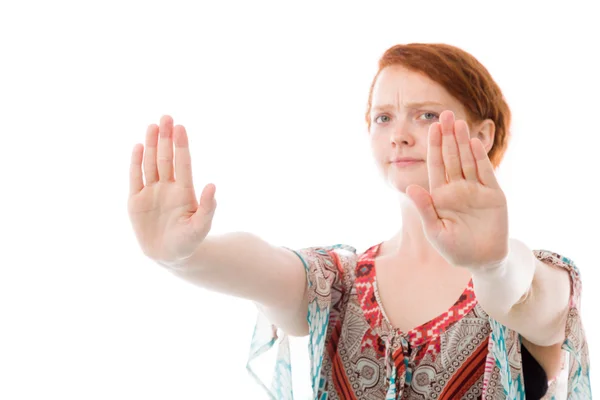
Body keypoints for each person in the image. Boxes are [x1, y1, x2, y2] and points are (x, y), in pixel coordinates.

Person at [127, 43, 591, 399]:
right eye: (383, 117)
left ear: (482, 135)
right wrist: (185, 256)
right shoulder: (342, 283)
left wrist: (490, 264)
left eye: (426, 115)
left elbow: (527, 296)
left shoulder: (528, 272)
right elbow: (265, 268)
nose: (400, 135)